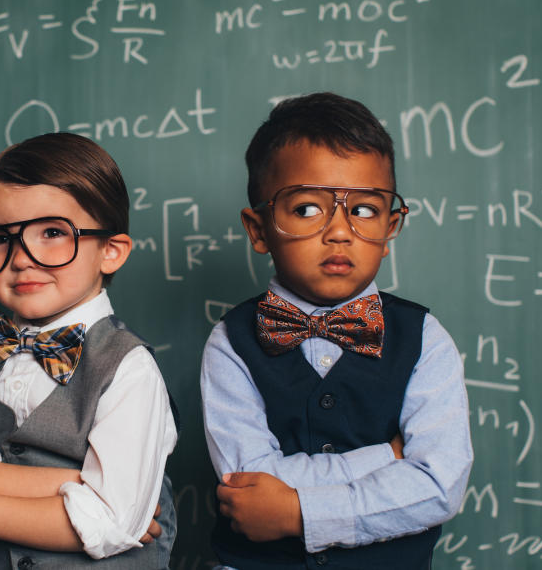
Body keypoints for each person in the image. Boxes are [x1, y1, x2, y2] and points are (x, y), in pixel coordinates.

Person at [201, 93, 473, 569]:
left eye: (365, 210)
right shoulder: (231, 341)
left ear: (390, 228)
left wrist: (297, 512)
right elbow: (249, 486)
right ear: (258, 228)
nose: (340, 231)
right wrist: (386, 459)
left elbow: (438, 485)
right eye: (307, 209)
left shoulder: (425, 338)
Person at [0, 132, 177, 569]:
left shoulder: (128, 367)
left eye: (53, 232)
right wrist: (78, 484)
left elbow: (113, 519)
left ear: (111, 252)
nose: (21, 256)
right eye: (1, 237)